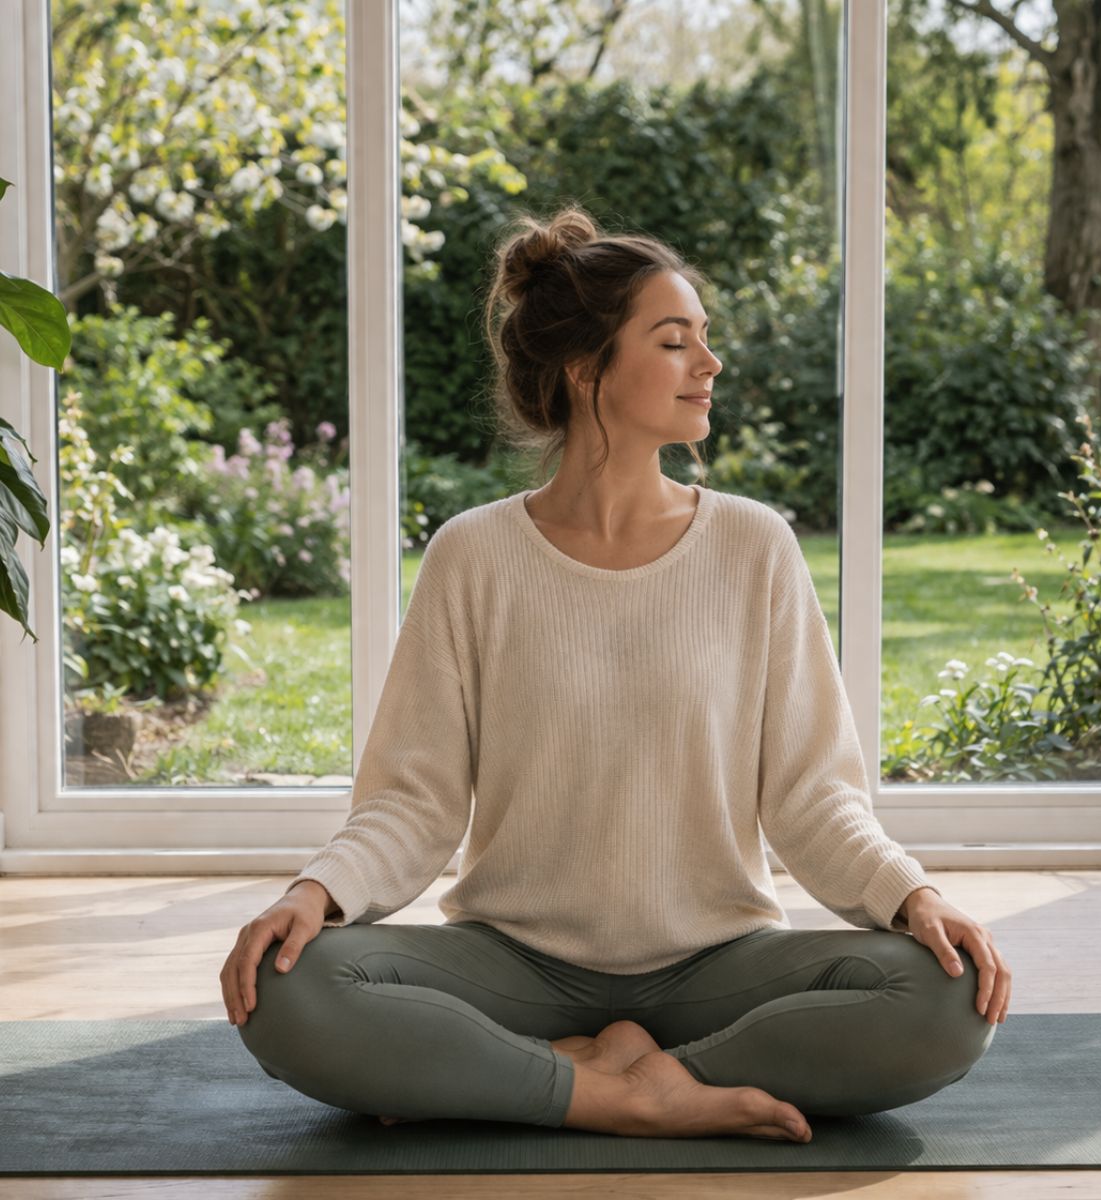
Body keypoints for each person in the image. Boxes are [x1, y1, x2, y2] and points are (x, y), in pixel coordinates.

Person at [220, 204, 1011, 1143]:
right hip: (509, 964)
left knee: (942, 999)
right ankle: (623, 1092)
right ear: (586, 369)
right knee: (288, 987)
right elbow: (415, 803)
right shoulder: (472, 557)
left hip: (718, 963)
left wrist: (913, 894)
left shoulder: (754, 546)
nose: (709, 364)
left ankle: (545, 1082)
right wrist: (313, 891)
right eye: (676, 343)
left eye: (703, 342)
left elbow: (811, 798)